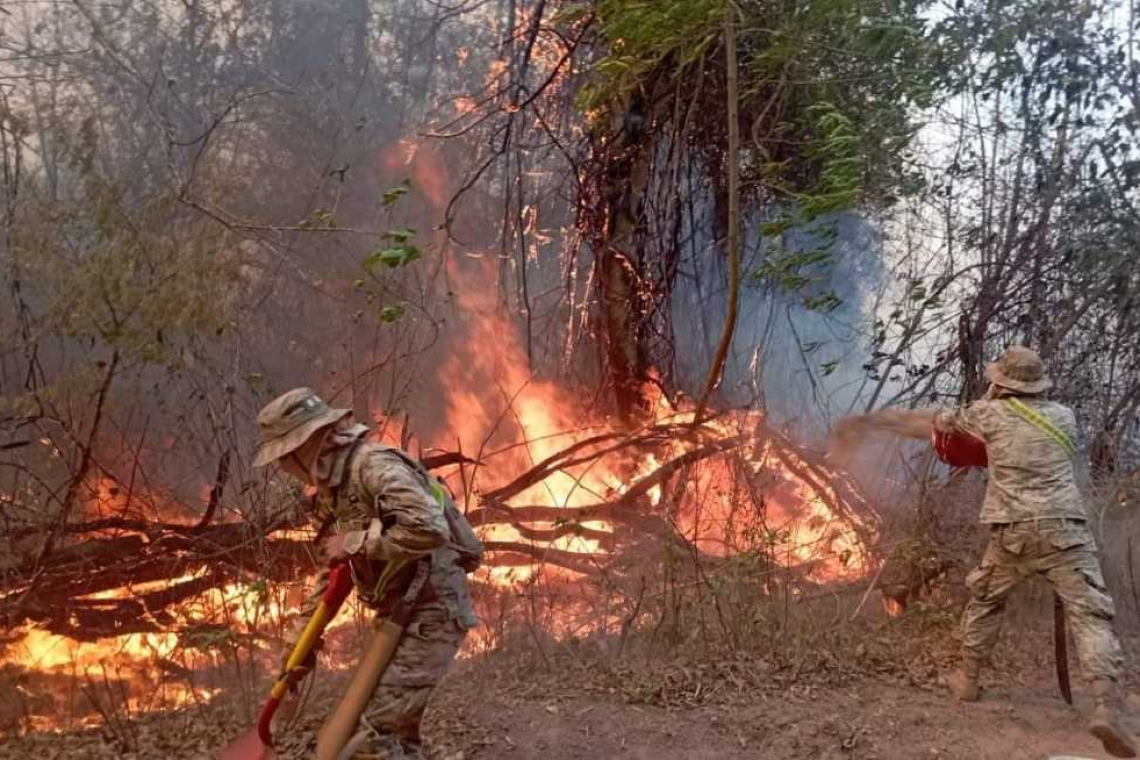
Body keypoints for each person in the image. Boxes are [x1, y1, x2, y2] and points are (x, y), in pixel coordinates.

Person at [838, 346, 1136, 758]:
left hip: (1013, 531)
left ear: (1001, 383)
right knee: (1091, 614)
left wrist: (873, 423)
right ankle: (1107, 703)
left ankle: (968, 679)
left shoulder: (988, 413)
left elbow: (928, 424)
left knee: (985, 601)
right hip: (1067, 531)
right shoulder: (1064, 417)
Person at [253, 388, 480, 759]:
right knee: (391, 732)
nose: (283, 468)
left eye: (284, 456)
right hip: (399, 613)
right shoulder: (334, 491)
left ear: (307, 444)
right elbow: (333, 572)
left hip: (434, 609)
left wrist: (356, 542)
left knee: (373, 737)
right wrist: (301, 644)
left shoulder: (374, 467)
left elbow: (429, 528)